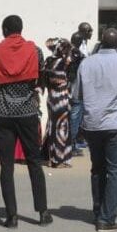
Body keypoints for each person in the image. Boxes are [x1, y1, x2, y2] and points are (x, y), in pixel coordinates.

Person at [73, 28, 117, 232]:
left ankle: (98, 210)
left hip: (92, 123)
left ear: (101, 42)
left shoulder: (87, 63)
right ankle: (107, 217)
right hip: (116, 124)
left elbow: (77, 94)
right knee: (114, 171)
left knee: (97, 169)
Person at [0, 15, 51, 228]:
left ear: (5, 29)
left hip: (3, 110)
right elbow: (42, 73)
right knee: (34, 161)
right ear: (21, 29)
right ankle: (43, 213)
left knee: (6, 165)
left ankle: (12, 216)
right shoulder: (35, 51)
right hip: (27, 111)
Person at [43, 37, 80, 167]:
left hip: (52, 97)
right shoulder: (64, 62)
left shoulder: (48, 61)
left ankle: (50, 157)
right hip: (62, 98)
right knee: (62, 127)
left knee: (52, 126)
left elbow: (46, 81)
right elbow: (77, 55)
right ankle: (58, 159)